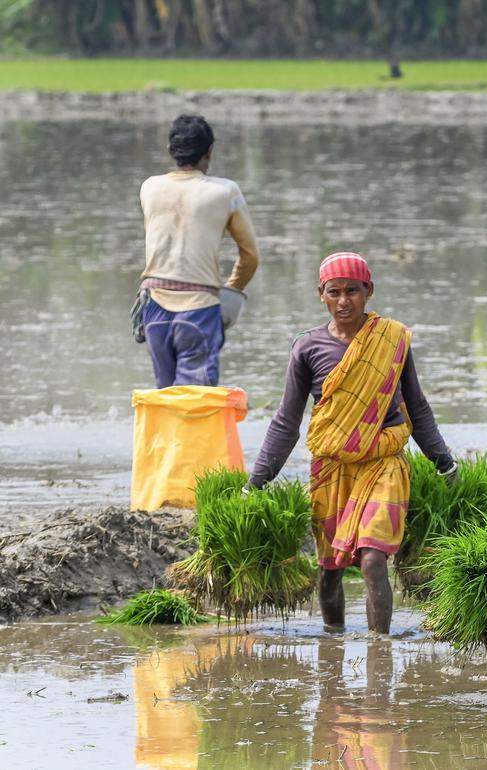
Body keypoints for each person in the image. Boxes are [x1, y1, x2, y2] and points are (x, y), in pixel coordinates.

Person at [248, 252, 457, 635]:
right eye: (335, 292)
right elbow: (286, 421)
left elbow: (417, 405)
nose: (344, 301)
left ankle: (380, 650)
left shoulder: (391, 339)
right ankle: (335, 644)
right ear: (321, 295)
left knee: (373, 558)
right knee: (330, 570)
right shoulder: (307, 349)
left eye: (353, 292)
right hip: (332, 468)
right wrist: (257, 480)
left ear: (369, 291)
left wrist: (443, 459)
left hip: (383, 461)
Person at [136, 114, 260, 388]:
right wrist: (230, 291)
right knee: (197, 402)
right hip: (199, 308)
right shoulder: (225, 191)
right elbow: (250, 256)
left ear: (172, 151)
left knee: (166, 397)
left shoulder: (149, 187)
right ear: (209, 152)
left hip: (154, 307)